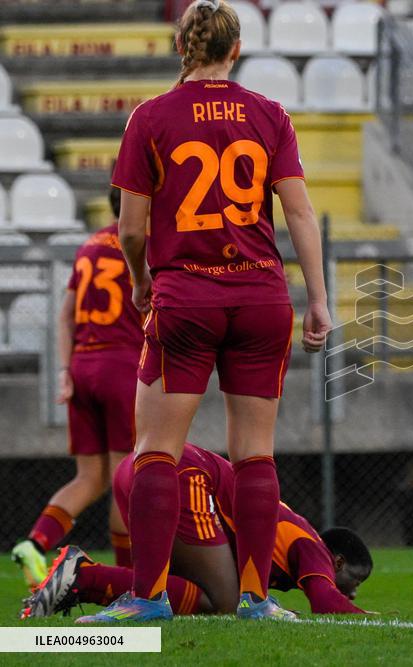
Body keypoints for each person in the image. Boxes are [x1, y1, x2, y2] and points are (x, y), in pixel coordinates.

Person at [88, 0, 332, 622]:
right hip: (261, 297)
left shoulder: (150, 117)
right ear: (236, 49)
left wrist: (143, 283)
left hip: (187, 300)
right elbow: (300, 213)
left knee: (156, 451)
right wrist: (319, 299)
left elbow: (133, 229)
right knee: (255, 454)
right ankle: (255, 599)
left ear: (181, 49)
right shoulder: (270, 114)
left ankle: (146, 600)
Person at [22, 443, 370, 620]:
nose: (351, 593)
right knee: (227, 601)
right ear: (336, 562)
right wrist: (366, 616)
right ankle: (85, 578)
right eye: (353, 584)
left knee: (191, 592)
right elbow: (326, 602)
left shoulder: (297, 535)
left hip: (142, 469)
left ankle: (80, 581)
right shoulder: (314, 549)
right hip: (184, 476)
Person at [11, 183, 142, 587]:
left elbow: (65, 316)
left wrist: (65, 369)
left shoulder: (89, 245)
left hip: (84, 365)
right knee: (125, 476)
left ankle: (35, 542)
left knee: (91, 477)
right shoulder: (142, 243)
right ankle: (129, 578)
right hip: (121, 364)